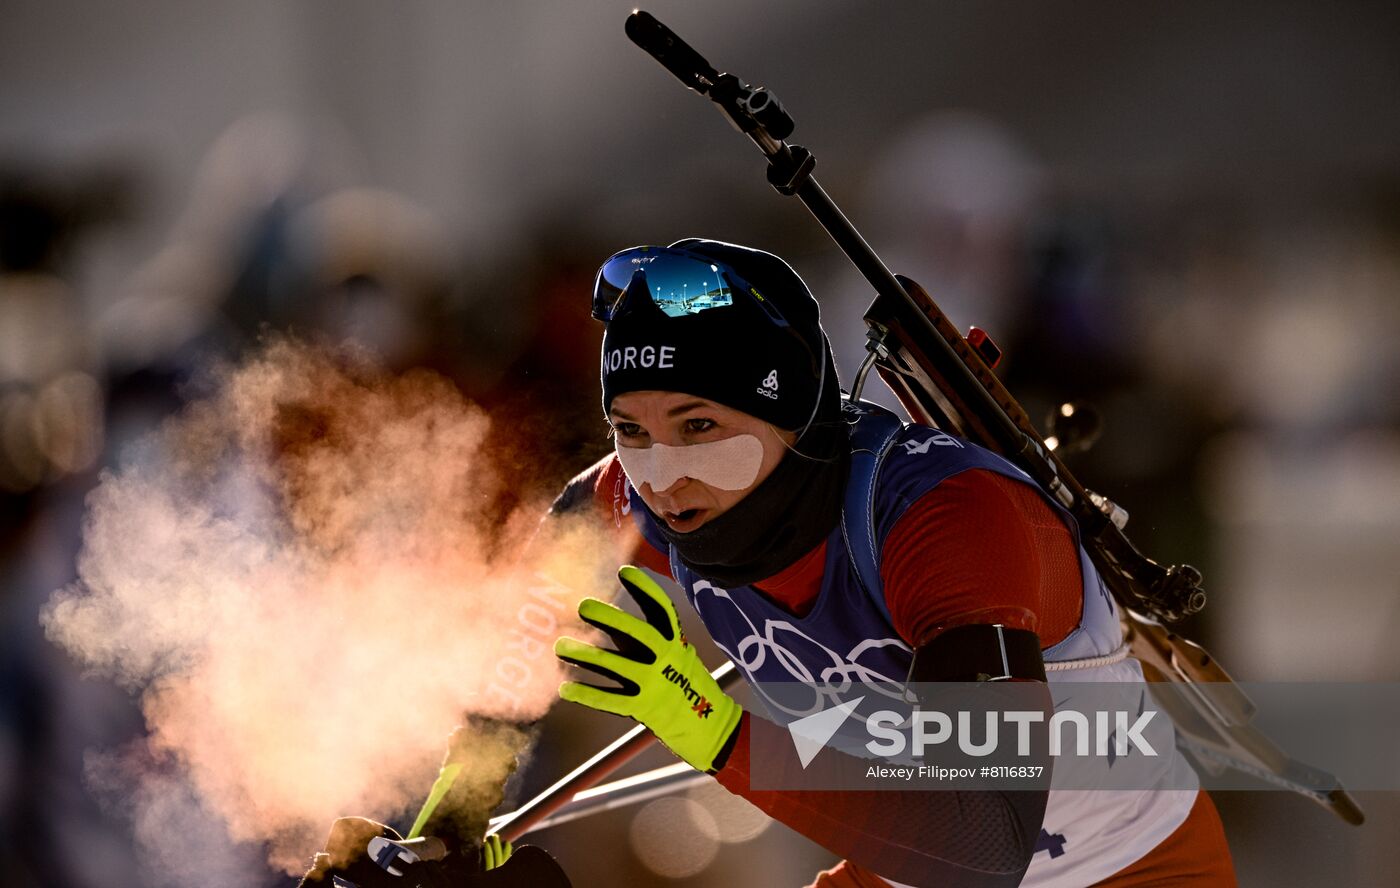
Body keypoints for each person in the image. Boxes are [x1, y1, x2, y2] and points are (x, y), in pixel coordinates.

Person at [549, 239, 1237, 887]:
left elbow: (988, 842)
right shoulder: (637, 497)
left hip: (1118, 870)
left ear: (792, 418)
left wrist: (708, 726)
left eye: (699, 426)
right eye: (631, 430)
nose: (662, 477)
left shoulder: (944, 518)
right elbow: (502, 616)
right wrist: (464, 800)